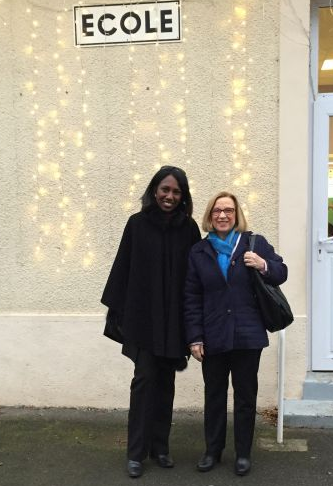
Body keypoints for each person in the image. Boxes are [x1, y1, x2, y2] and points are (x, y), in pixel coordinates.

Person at [101, 166, 201, 478]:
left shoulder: (189, 229)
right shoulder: (137, 224)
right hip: (143, 320)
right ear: (154, 191)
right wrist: (117, 313)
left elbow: (195, 277)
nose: (169, 196)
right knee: (143, 382)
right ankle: (136, 453)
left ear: (183, 196)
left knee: (166, 385)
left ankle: (160, 447)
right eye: (165, 190)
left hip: (173, 322)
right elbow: (123, 267)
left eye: (176, 192)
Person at [184, 191, 288, 476]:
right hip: (213, 335)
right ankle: (212, 451)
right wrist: (195, 337)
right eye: (217, 211)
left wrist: (263, 265)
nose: (222, 215)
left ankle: (243, 453)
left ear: (236, 214)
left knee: (245, 396)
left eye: (228, 210)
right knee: (214, 395)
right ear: (209, 215)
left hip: (246, 334)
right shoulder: (198, 251)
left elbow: (282, 271)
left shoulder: (255, 244)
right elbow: (192, 297)